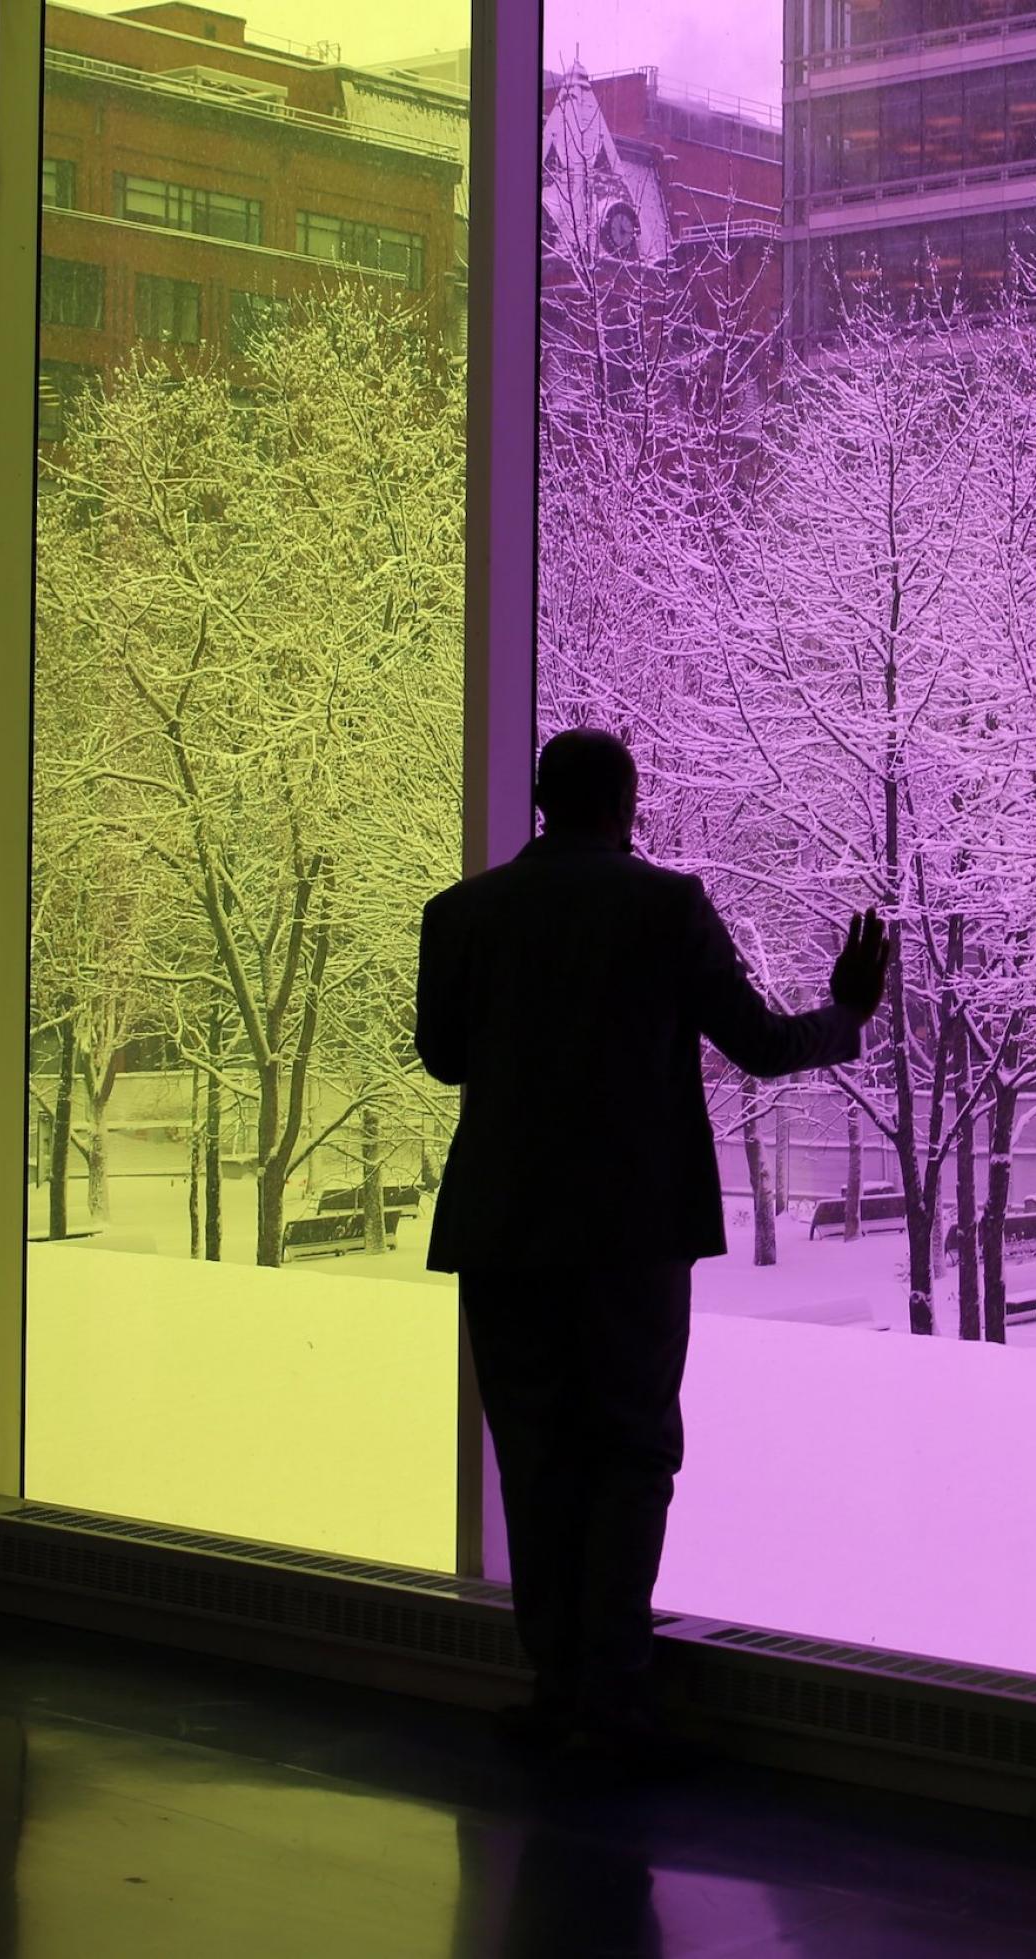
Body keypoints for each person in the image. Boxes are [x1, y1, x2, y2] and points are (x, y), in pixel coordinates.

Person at [415, 729, 892, 1757]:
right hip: (631, 1233)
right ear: (628, 804)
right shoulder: (666, 908)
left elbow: (444, 1060)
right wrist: (845, 1013)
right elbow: (760, 1048)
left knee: (536, 1459)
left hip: (503, 1234)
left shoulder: (460, 916)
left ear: (541, 802)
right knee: (628, 1453)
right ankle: (614, 1697)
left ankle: (556, 1690)